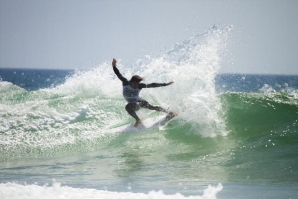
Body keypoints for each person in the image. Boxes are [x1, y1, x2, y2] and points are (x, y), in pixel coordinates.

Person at [112, 58, 176, 127]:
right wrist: (114, 66)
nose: (137, 85)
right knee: (128, 107)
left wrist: (165, 84)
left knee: (152, 107)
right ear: (132, 82)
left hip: (140, 101)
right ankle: (138, 120)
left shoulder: (140, 86)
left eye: (138, 83)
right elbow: (118, 74)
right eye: (136, 84)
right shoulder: (125, 82)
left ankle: (170, 113)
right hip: (133, 104)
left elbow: (152, 85)